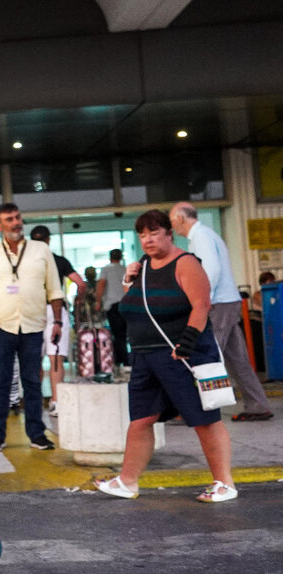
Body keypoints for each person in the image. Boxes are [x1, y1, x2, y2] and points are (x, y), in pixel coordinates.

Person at [96, 209, 238, 503]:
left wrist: (187, 342)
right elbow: (133, 304)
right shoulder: (142, 266)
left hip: (182, 355)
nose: (147, 239)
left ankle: (224, 483)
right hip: (144, 356)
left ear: (169, 234)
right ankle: (127, 481)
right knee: (141, 418)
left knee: (204, 418)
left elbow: (202, 305)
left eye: (154, 233)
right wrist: (128, 280)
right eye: (142, 234)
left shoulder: (186, 263)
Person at [0, 203, 63, 453]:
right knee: (1, 383)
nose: (16, 223)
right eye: (9, 219)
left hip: (33, 326)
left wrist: (57, 321)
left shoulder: (40, 250)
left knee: (33, 382)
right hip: (1, 326)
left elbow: (54, 289)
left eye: (17, 217)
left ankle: (37, 434)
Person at [169, 203, 273, 422]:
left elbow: (211, 270)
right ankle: (258, 405)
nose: (172, 227)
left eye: (171, 221)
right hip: (226, 301)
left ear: (181, 218)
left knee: (204, 354)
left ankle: (194, 410)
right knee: (237, 360)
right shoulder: (205, 235)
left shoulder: (201, 236)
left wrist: (202, 300)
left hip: (218, 303)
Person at [28, 226, 85, 418]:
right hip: (56, 311)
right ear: (48, 240)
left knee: (34, 359)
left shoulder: (26, 263)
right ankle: (56, 402)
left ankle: (35, 403)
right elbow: (80, 283)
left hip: (32, 312)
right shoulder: (59, 261)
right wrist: (78, 300)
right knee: (56, 359)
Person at [96, 249, 129, 368]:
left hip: (112, 305)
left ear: (110, 257)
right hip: (125, 304)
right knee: (124, 334)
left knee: (117, 334)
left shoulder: (106, 269)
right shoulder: (125, 269)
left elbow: (101, 284)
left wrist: (98, 301)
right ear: (121, 257)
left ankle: (121, 360)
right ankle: (124, 359)